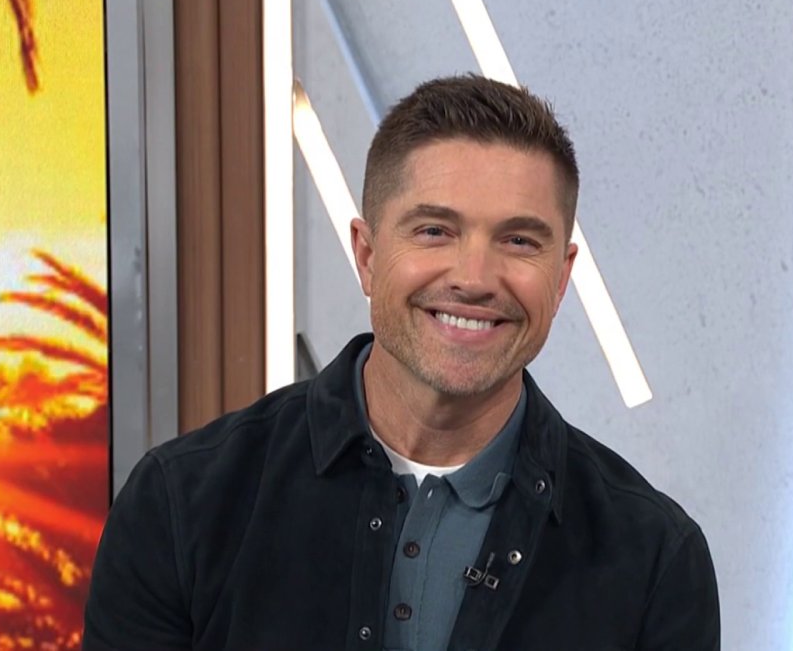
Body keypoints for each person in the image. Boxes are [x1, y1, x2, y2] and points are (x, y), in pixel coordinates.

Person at [83, 74, 720, 650]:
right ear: (366, 256)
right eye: (434, 231)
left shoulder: (656, 561)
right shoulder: (180, 504)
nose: (474, 278)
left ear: (560, 278)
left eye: (518, 240)